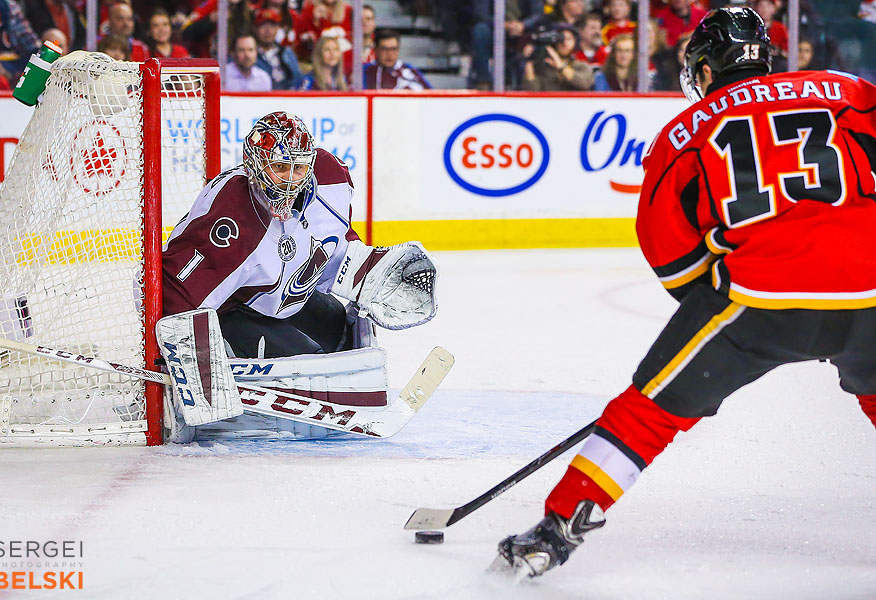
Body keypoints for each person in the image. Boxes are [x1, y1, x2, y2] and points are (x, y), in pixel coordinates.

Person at [492, 5, 876, 580]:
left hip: (758, 298)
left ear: (704, 68)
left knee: (647, 410)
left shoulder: (684, 130)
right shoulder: (849, 89)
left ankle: (559, 526)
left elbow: (670, 250)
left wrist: (713, 323)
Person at [161, 112, 437, 438]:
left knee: (342, 337)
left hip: (285, 297)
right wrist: (189, 375)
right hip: (231, 311)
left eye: (299, 167)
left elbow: (332, 241)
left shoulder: (331, 178)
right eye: (279, 168)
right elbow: (174, 295)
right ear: (254, 166)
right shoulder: (233, 219)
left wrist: (367, 269)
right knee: (315, 367)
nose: (292, 180)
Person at [521, 23, 593, 91]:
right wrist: (529, 60)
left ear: (575, 42)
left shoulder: (581, 66)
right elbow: (532, 91)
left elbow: (584, 84)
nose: (564, 43)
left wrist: (561, 66)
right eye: (560, 39)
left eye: (568, 39)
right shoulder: (542, 67)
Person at [363, 29, 431, 90]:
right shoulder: (365, 71)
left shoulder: (409, 70)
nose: (389, 54)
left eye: (393, 49)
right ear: (376, 50)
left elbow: (430, 94)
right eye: (384, 49)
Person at [254, 7, 302, 89]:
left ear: (277, 29)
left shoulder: (287, 52)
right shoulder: (250, 53)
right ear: (256, 29)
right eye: (263, 25)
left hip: (286, 96)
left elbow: (297, 79)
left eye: (272, 26)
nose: (268, 30)